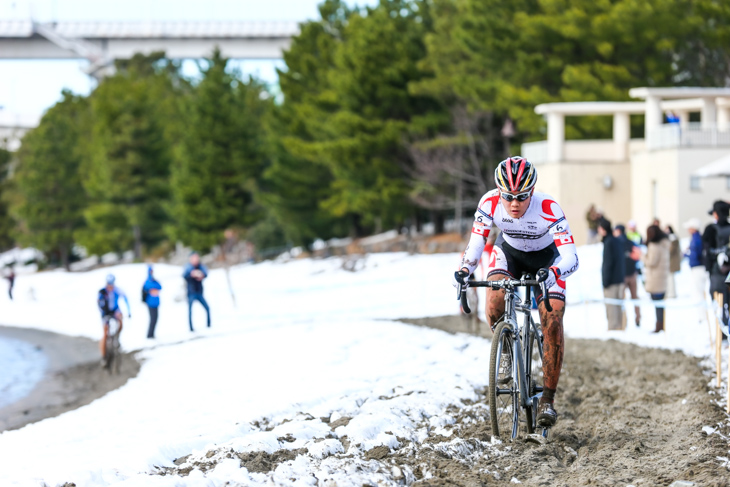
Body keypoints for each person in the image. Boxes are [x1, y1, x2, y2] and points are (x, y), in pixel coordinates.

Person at [452, 156, 579, 428]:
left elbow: (571, 257)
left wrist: (554, 273)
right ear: (499, 192)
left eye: (521, 197)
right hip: (509, 253)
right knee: (494, 300)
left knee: (553, 319)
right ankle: (506, 349)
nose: (514, 204)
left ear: (531, 191)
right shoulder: (489, 202)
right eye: (508, 196)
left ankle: (547, 398)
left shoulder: (548, 207)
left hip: (548, 260)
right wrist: (464, 270)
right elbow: (476, 245)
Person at [703, 201, 730, 330]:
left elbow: (707, 251)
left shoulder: (711, 229)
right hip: (722, 272)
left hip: (718, 274)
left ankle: (723, 334)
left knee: (720, 303)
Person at [97, 274, 131, 364]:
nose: (110, 286)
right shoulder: (102, 292)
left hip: (115, 310)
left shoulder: (117, 290)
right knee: (105, 334)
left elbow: (125, 299)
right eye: (109, 284)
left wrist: (129, 311)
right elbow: (99, 304)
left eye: (112, 284)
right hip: (105, 312)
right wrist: (103, 314)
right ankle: (104, 356)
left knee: (121, 321)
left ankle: (117, 337)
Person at [598, 219, 625, 330]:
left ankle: (614, 328)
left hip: (612, 281)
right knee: (618, 306)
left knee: (612, 307)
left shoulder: (609, 242)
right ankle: (620, 327)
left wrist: (606, 281)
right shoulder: (616, 240)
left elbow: (608, 263)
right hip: (619, 278)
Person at [644, 225, 670, 333]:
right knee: (660, 304)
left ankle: (659, 326)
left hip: (655, 279)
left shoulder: (654, 246)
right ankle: (660, 325)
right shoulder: (664, 244)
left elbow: (651, 262)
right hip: (662, 278)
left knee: (657, 304)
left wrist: (641, 256)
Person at [615, 224, 641, 327]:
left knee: (622, 299)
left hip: (623, 275)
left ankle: (623, 322)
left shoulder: (617, 243)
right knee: (635, 297)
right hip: (633, 273)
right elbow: (637, 255)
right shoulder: (631, 242)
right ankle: (638, 319)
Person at [684, 217, 708, 326]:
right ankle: (702, 315)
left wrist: (687, 254)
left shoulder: (696, 239)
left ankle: (702, 316)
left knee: (699, 292)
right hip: (699, 267)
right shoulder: (698, 238)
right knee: (699, 291)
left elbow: (695, 254)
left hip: (698, 268)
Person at [183, 251, 210, 331]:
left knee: (207, 308)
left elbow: (205, 273)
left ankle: (209, 325)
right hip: (191, 292)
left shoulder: (200, 266)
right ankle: (191, 328)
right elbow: (184, 275)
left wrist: (201, 275)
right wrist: (192, 274)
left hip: (199, 291)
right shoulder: (188, 267)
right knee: (190, 311)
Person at [142, 265, 162, 339]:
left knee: (155, 318)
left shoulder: (154, 280)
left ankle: (152, 334)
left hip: (155, 302)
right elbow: (148, 287)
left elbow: (160, 287)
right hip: (150, 303)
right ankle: (150, 335)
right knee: (153, 319)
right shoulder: (148, 280)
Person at [665, 225, 681, 299]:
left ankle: (671, 293)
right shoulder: (669, 238)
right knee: (669, 278)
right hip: (669, 261)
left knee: (670, 278)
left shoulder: (673, 238)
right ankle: (670, 292)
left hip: (671, 261)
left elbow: (671, 251)